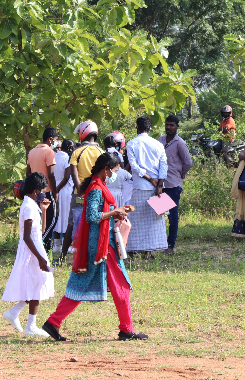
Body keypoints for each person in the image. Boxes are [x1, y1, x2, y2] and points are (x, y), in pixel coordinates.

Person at [42, 153, 148, 342]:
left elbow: (97, 215)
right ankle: (126, 329)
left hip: (100, 244)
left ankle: (53, 322)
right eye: (114, 171)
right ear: (106, 169)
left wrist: (115, 215)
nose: (115, 174)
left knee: (85, 285)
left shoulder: (97, 186)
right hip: (102, 247)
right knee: (118, 285)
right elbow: (92, 217)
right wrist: (114, 212)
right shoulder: (96, 189)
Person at [2, 172, 54, 338]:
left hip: (35, 248)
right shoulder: (29, 207)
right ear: (36, 191)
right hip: (32, 250)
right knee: (37, 285)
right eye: (42, 191)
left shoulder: (32, 205)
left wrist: (44, 210)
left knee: (36, 284)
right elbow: (26, 237)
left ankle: (14, 313)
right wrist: (39, 258)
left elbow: (41, 230)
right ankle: (31, 326)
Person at [58, 121, 105, 261]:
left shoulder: (76, 152)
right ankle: (95, 256)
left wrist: (79, 189)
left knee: (72, 224)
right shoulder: (102, 152)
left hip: (79, 194)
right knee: (95, 223)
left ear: (83, 133)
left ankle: (62, 256)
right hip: (97, 193)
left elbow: (74, 173)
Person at [126, 116, 168, 257]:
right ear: (150, 129)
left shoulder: (132, 144)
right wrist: (159, 184)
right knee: (153, 220)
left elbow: (134, 166)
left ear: (136, 127)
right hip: (156, 188)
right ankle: (149, 252)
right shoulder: (158, 144)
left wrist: (150, 179)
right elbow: (164, 165)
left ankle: (133, 249)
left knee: (136, 219)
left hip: (140, 186)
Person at [158, 114, 193, 253]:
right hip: (161, 184)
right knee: (159, 215)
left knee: (172, 215)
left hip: (173, 184)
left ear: (177, 126)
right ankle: (159, 243)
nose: (169, 127)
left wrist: (181, 174)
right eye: (167, 125)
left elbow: (188, 162)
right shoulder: (160, 140)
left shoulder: (180, 143)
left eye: (172, 125)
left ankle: (170, 245)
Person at [26, 127, 59, 252]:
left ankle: (45, 248)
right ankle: (40, 246)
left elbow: (28, 173)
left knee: (40, 221)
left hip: (35, 193)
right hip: (46, 192)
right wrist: (55, 193)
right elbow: (51, 175)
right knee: (51, 221)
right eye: (56, 140)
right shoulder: (49, 152)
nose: (56, 142)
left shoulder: (32, 152)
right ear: (50, 140)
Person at [53, 139, 75, 253]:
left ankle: (57, 244)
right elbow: (66, 177)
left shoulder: (53, 156)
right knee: (66, 217)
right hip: (64, 189)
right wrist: (57, 189)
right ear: (70, 148)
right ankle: (68, 244)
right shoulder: (67, 158)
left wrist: (54, 189)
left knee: (57, 216)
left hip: (55, 187)